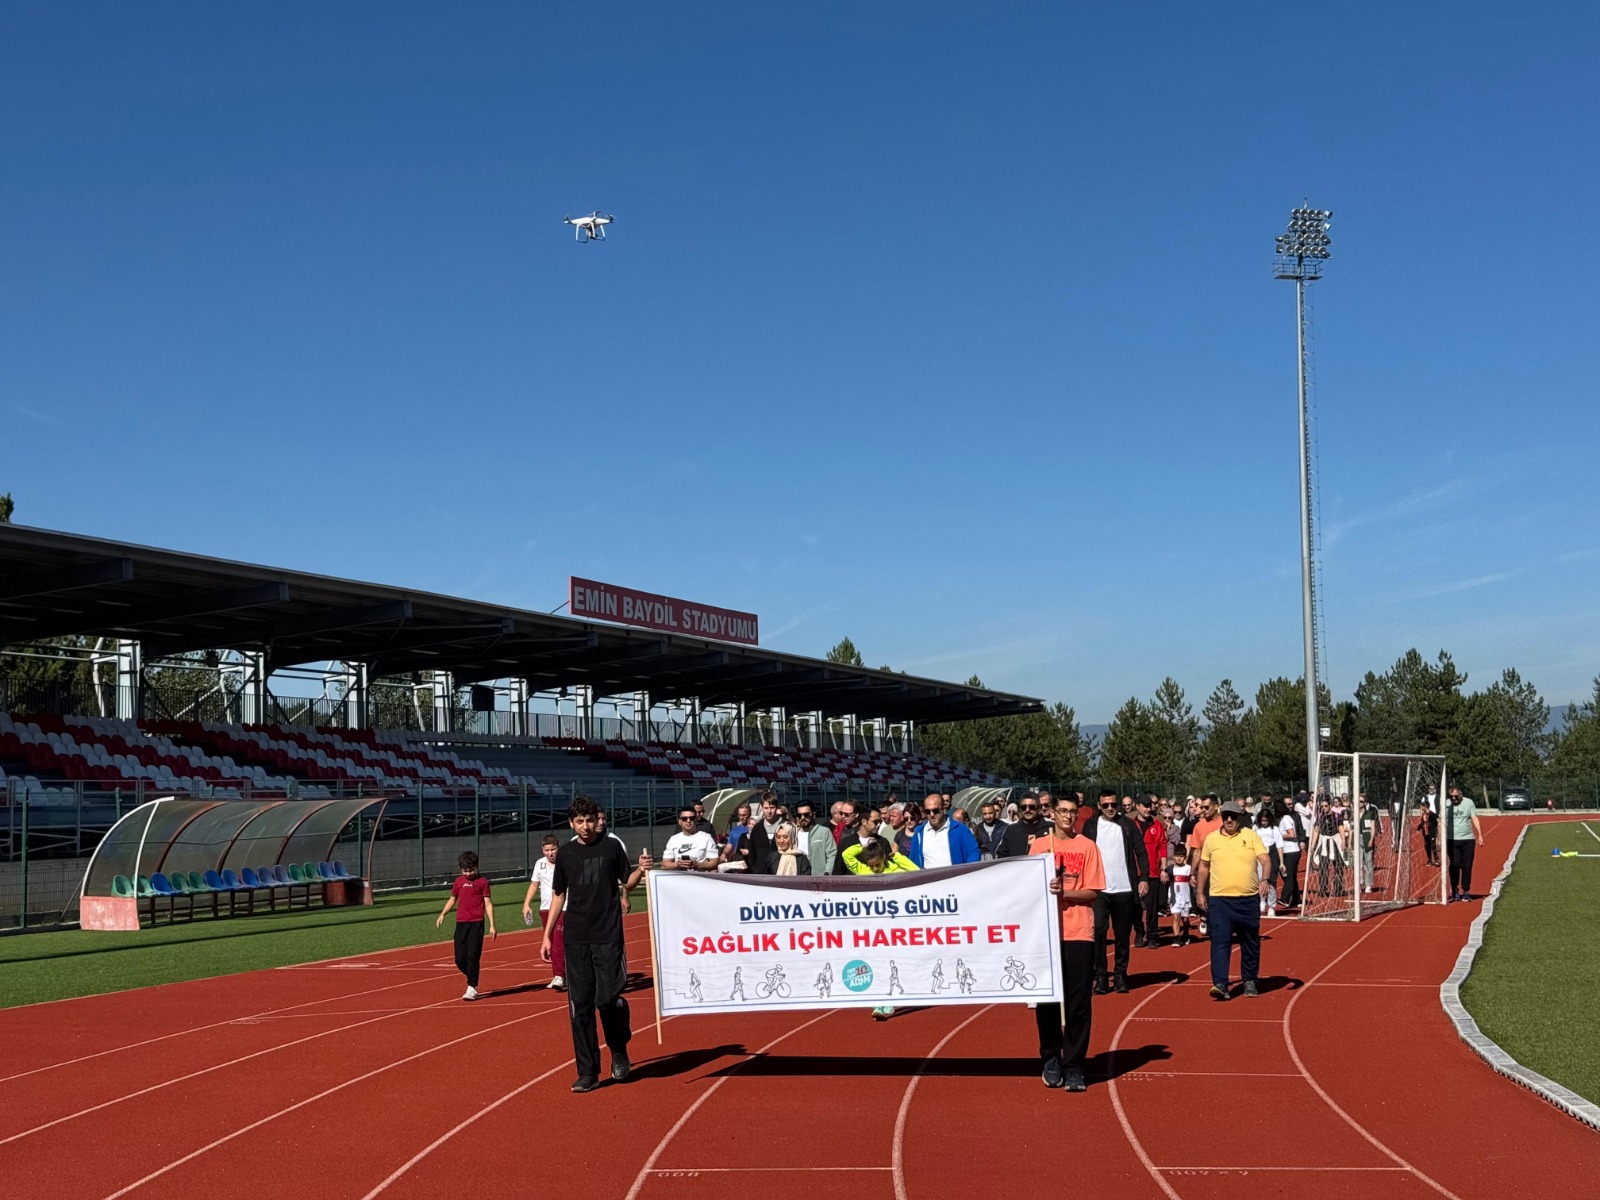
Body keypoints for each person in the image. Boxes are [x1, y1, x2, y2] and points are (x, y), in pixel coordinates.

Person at [542, 795, 650, 1093]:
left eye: (590, 820)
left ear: (597, 820)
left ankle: (618, 1046)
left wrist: (641, 869)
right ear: (571, 823)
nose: (586, 826)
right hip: (576, 937)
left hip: (608, 934)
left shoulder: (612, 846)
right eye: (580, 821)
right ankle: (588, 1072)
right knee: (581, 1007)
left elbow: (626, 882)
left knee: (607, 1000)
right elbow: (559, 895)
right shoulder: (564, 854)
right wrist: (548, 934)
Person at [1031, 792, 1105, 1091]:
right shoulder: (1038, 846)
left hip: (1078, 932)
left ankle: (1074, 1064)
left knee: (1078, 1002)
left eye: (1073, 812)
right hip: (1046, 933)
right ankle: (1051, 1056)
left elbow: (1093, 892)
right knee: (1047, 999)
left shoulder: (1088, 847)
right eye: (1062, 811)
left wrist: (1065, 893)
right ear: (1052, 813)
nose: (1068, 816)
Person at [1194, 800, 1269, 1000]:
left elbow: (1265, 860)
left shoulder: (1251, 836)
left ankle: (1250, 979)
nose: (1229, 820)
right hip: (1220, 900)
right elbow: (1203, 867)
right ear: (1221, 816)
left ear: (1239, 818)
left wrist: (1265, 879)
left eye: (1233, 816)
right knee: (1220, 941)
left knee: (1250, 941)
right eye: (1226, 815)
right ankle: (1220, 984)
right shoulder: (1211, 839)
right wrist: (1200, 893)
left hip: (1247, 899)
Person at [841, 835, 916, 1019]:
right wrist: (864, 845)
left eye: (878, 865)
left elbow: (916, 870)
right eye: (872, 865)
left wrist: (896, 857)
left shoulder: (894, 868)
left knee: (892, 960)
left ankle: (889, 1002)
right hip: (872, 925)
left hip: (893, 922)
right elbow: (846, 855)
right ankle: (879, 1001)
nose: (875, 869)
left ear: (883, 858)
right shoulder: (862, 870)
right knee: (876, 961)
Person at [1081, 788, 1149, 994]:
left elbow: (1141, 852)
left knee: (1122, 935)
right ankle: (1100, 976)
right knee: (1099, 933)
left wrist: (1143, 878)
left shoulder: (1127, 826)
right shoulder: (1091, 826)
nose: (1110, 808)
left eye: (1113, 804)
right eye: (1105, 805)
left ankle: (1120, 975)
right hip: (1099, 890)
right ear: (1099, 806)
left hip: (1124, 890)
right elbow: (1083, 853)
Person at [437, 850, 495, 1001]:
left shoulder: (483, 882)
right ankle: (471, 975)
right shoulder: (458, 882)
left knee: (473, 956)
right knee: (460, 958)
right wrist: (443, 914)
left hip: (477, 923)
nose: (468, 873)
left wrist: (492, 925)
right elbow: (452, 899)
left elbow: (488, 904)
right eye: (465, 871)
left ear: (476, 867)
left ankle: (472, 987)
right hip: (461, 923)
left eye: (471, 870)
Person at [522, 834, 564, 990]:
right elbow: (534, 885)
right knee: (551, 942)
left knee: (559, 941)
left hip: (563, 907)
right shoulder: (539, 864)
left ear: (558, 848)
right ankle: (557, 974)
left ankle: (560, 975)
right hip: (545, 907)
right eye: (547, 850)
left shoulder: (565, 862)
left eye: (553, 849)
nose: (550, 853)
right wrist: (526, 904)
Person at [907, 792, 981, 868]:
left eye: (935, 811)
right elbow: (914, 861)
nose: (932, 814)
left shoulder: (960, 829)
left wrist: (965, 873)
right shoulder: (919, 833)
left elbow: (974, 853)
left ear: (944, 809)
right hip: (929, 879)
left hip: (955, 878)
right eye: (928, 812)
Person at [1134, 795, 1166, 947]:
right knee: (1135, 906)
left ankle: (1152, 935)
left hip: (1153, 871)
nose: (1147, 809)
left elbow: (1162, 846)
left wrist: (1164, 869)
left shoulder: (1157, 824)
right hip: (1135, 871)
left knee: (1152, 907)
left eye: (1149, 806)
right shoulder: (1130, 825)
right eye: (1144, 806)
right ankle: (1140, 931)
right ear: (1137, 806)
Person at [1445, 786, 1484, 901]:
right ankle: (1454, 888)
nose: (1454, 799)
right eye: (1451, 797)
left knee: (1467, 866)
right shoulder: (1446, 804)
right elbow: (1441, 820)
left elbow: (1474, 818)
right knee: (1455, 864)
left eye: (1456, 796)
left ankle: (1466, 890)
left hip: (1468, 839)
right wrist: (1439, 838)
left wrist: (1480, 835)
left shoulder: (1469, 803)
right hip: (1452, 840)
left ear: (1461, 794)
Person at [662, 805, 720, 871]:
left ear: (696, 820)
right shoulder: (673, 839)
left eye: (691, 818)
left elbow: (715, 862)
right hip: (679, 878)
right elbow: (664, 865)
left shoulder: (706, 838)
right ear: (679, 822)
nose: (688, 820)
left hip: (699, 878)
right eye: (684, 819)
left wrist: (697, 865)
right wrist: (678, 864)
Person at [741, 790, 784, 875]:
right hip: (760, 875)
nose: (769, 811)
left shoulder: (784, 826)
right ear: (761, 807)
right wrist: (755, 870)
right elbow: (752, 853)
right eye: (766, 808)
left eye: (772, 808)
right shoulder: (757, 829)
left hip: (780, 873)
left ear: (777, 807)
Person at [998, 793, 1050, 857]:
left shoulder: (1050, 827)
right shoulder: (1011, 830)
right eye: (1023, 807)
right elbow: (1002, 855)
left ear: (1038, 808)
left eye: (1032, 807)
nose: (1027, 810)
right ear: (1020, 809)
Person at [1253, 806, 1281, 918]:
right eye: (1262, 821)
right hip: (1259, 855)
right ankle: (1262, 900)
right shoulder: (1255, 828)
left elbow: (1279, 845)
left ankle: (1272, 906)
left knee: (1271, 881)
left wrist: (1282, 862)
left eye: (1266, 821)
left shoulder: (1275, 829)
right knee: (1260, 879)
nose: (1264, 823)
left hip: (1271, 854)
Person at [1276, 798, 1303, 911]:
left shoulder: (1286, 818)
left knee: (1288, 874)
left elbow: (1292, 834)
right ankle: (1296, 898)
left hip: (1291, 850)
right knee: (1289, 874)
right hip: (1288, 850)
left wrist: (1278, 835)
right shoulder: (1285, 818)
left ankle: (1285, 897)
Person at [794, 800, 836, 875]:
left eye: (806, 815)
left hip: (818, 878)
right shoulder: (793, 833)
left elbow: (832, 854)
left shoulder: (824, 832)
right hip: (798, 878)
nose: (803, 818)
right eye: (799, 815)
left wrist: (827, 872)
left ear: (814, 815)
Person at [1167, 844, 1194, 946]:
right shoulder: (1170, 869)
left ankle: (1186, 933)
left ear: (1185, 857)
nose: (1179, 858)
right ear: (1173, 856)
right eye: (1177, 855)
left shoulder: (1188, 868)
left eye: (1181, 856)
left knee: (1185, 919)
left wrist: (1193, 879)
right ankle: (1176, 937)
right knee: (1176, 917)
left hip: (1185, 898)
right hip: (1174, 898)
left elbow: (1192, 879)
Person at [1357, 793, 1382, 894]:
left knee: (1368, 862)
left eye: (1361, 801)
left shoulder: (1370, 813)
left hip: (1367, 838)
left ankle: (1368, 884)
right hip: (1357, 838)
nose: (1359, 803)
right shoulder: (1353, 814)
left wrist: (1372, 839)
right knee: (1358, 863)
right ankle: (1358, 884)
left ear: (1365, 803)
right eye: (1357, 801)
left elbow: (1372, 827)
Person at [721, 801, 752, 866]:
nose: (741, 818)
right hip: (737, 861)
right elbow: (729, 846)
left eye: (744, 815)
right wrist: (724, 854)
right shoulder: (734, 830)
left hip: (750, 861)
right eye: (739, 815)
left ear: (749, 814)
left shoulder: (753, 829)